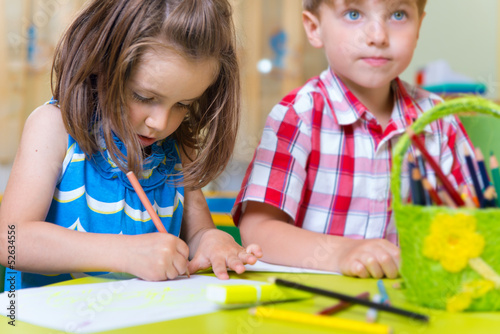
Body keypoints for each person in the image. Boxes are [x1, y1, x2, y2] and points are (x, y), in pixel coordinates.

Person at [0, 0, 262, 289]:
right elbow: (10, 241)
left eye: (183, 104)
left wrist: (212, 241)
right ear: (100, 64)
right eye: (144, 97)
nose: (160, 123)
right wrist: (125, 253)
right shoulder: (54, 127)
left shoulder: (177, 148)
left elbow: (198, 231)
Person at [233, 0, 474, 279]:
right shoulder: (297, 115)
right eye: (353, 13)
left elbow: (474, 222)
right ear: (314, 28)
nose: (378, 36)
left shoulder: (440, 122)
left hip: (410, 303)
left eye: (398, 15)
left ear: (419, 26)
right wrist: (342, 253)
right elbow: (257, 232)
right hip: (314, 304)